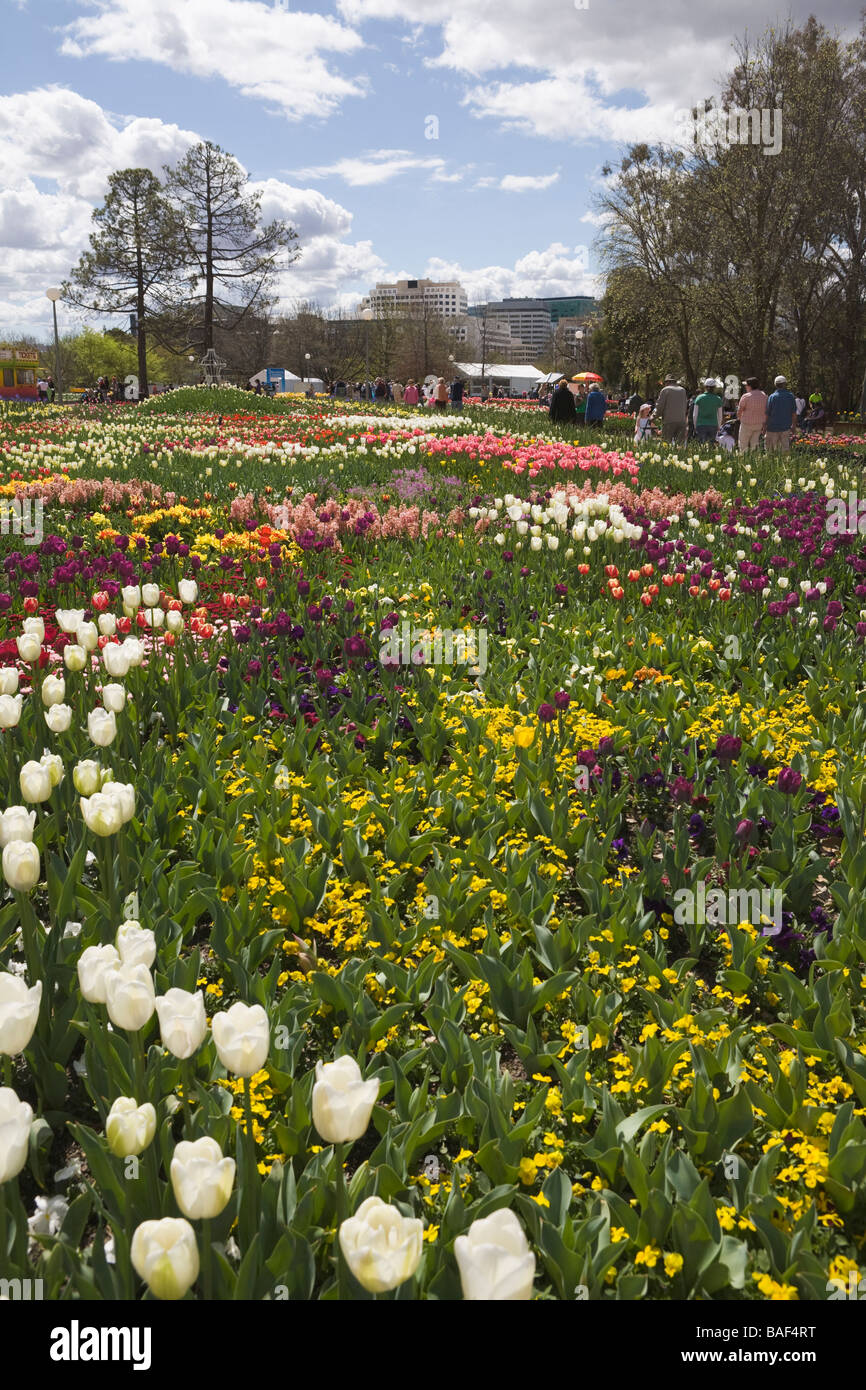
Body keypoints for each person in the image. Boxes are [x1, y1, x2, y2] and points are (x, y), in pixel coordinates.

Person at [765, 375, 797, 452]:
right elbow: (794, 413)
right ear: (785, 384)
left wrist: (764, 426)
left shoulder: (772, 397)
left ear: (775, 385)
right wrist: (794, 425)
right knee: (785, 451)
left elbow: (768, 413)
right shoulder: (790, 396)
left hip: (772, 428)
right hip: (785, 427)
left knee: (770, 451)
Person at [652, 375, 688, 443]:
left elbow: (660, 407)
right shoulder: (683, 390)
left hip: (669, 421)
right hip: (681, 421)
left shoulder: (665, 390)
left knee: (666, 444)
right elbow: (685, 406)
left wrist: (653, 417)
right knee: (679, 446)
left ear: (667, 382)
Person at [737, 377, 767, 452]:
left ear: (750, 386)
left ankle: (744, 462)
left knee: (743, 446)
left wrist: (740, 419)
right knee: (755, 446)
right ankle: (754, 462)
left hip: (746, 424)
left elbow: (739, 411)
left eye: (746, 385)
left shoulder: (746, 396)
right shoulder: (764, 396)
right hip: (758, 425)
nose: (745, 387)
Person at [692, 378, 723, 443]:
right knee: (711, 447)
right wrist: (719, 426)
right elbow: (720, 415)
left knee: (702, 447)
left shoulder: (699, 398)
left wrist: (695, 426)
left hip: (701, 425)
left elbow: (695, 414)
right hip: (713, 425)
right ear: (714, 387)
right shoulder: (718, 399)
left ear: (705, 387)